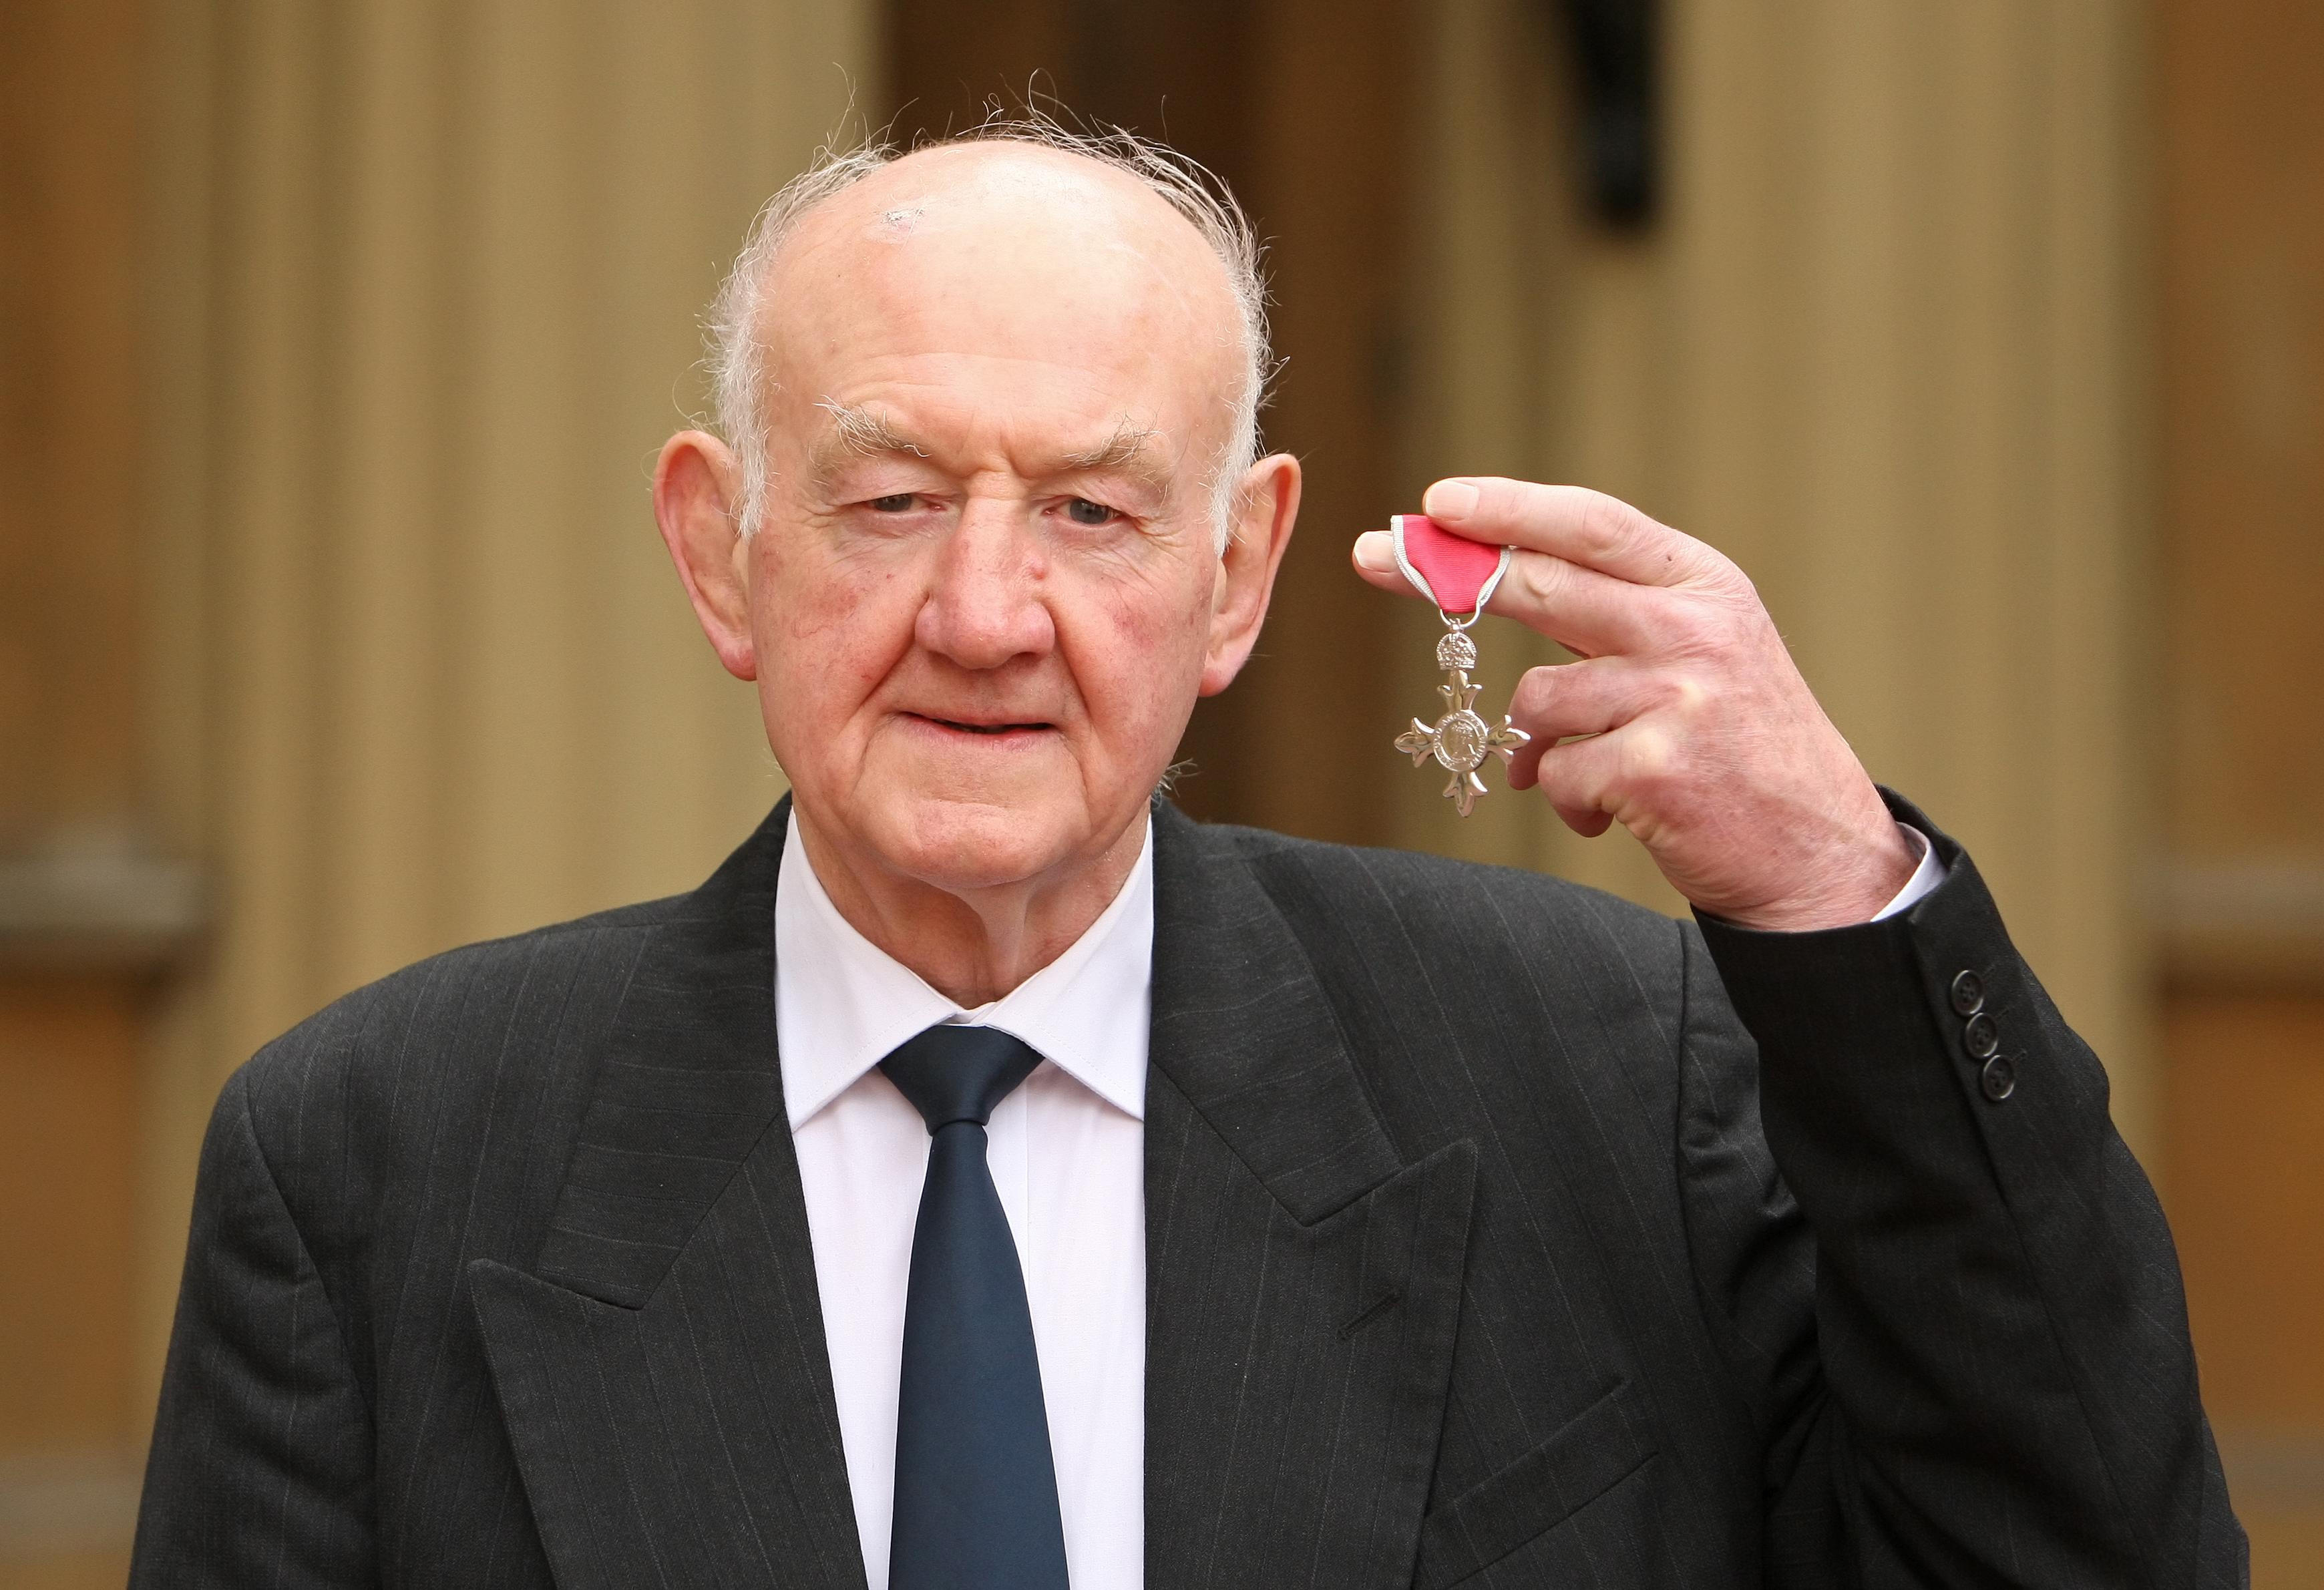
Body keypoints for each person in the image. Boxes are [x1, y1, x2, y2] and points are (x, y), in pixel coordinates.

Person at [130, 121, 2247, 1589]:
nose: (986, 614)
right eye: (891, 501)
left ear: (1234, 573)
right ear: (720, 549)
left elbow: (2088, 1555)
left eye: (1091, 511)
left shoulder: (1614, 1082)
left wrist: (1840, 899)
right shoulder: (374, 1167)